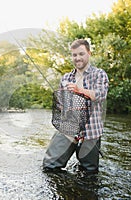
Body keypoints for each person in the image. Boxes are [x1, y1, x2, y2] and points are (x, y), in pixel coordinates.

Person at [42, 39, 109, 174]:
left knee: (89, 173)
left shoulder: (99, 74)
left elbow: (101, 94)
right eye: (74, 55)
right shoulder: (66, 78)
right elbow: (61, 105)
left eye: (81, 54)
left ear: (89, 53)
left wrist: (80, 91)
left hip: (91, 132)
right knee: (49, 166)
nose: (77, 58)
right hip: (68, 128)